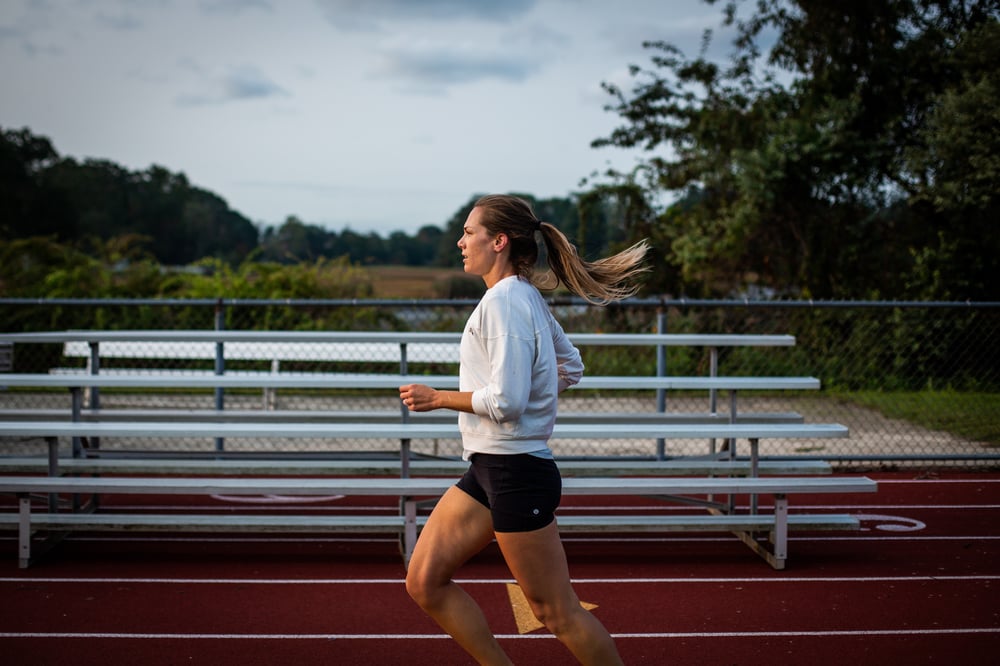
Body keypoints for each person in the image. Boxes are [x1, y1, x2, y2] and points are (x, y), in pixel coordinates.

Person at [399, 194, 648, 665]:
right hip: (492, 467)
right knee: (424, 580)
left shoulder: (506, 302)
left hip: (515, 472)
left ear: (499, 241)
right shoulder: (522, 296)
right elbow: (570, 367)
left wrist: (439, 398)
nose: (460, 241)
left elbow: (506, 403)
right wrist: (535, 391)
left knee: (556, 612)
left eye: (469, 232)